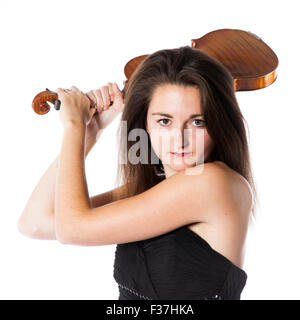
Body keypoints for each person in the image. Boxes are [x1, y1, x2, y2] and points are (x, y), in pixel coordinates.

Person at [18, 45, 257, 300]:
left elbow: (71, 229)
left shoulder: (213, 183)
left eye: (198, 122)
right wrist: (91, 133)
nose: (180, 140)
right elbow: (35, 222)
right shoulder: (154, 189)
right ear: (144, 124)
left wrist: (74, 125)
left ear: (220, 124)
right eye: (164, 121)